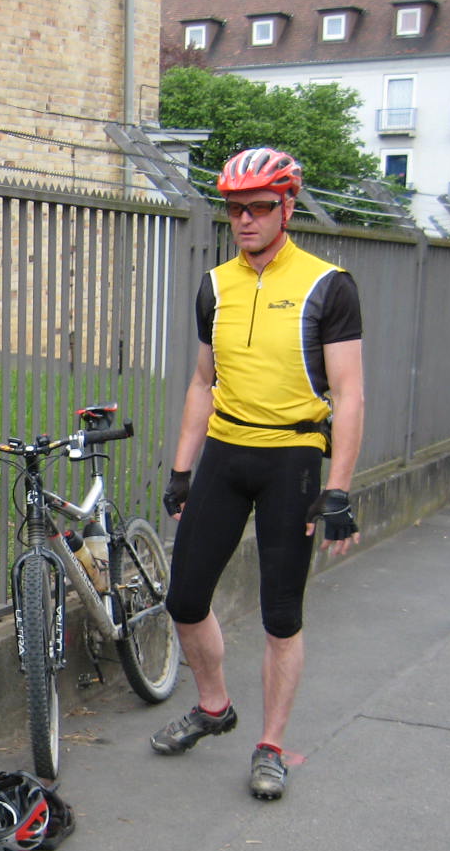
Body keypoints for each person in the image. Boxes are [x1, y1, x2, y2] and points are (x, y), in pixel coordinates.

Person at [152, 147, 365, 801]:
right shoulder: (216, 285)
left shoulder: (328, 285)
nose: (245, 219)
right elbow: (202, 382)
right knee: (185, 600)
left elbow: (349, 393)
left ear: (287, 207)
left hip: (291, 462)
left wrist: (338, 489)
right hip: (225, 453)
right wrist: (182, 469)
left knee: (281, 615)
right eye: (235, 208)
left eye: (260, 207)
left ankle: (270, 746)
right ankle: (214, 707)